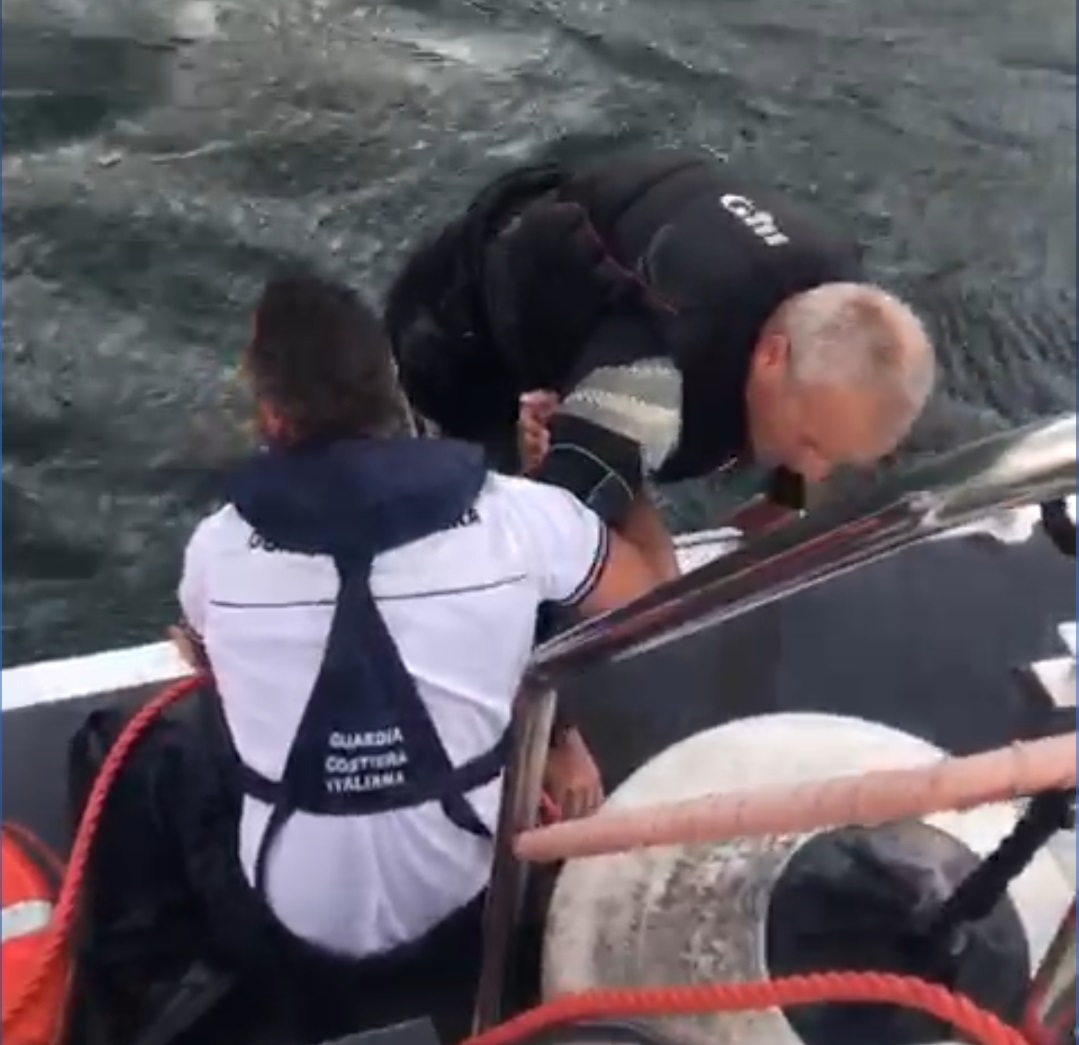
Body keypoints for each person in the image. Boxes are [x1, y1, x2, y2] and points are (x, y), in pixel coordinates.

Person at [174, 273, 659, 998]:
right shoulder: (518, 516)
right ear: (392, 388)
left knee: (161, 750)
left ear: (272, 417)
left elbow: (206, 656)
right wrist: (620, 480)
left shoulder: (217, 548)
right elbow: (648, 597)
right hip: (463, 893)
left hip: (288, 912)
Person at [384, 147, 937, 580]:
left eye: (837, 455)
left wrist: (779, 506)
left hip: (603, 223)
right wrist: (569, 475)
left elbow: (821, 455)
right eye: (810, 443)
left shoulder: (848, 326)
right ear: (770, 356)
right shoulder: (648, 382)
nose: (816, 471)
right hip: (465, 326)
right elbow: (537, 553)